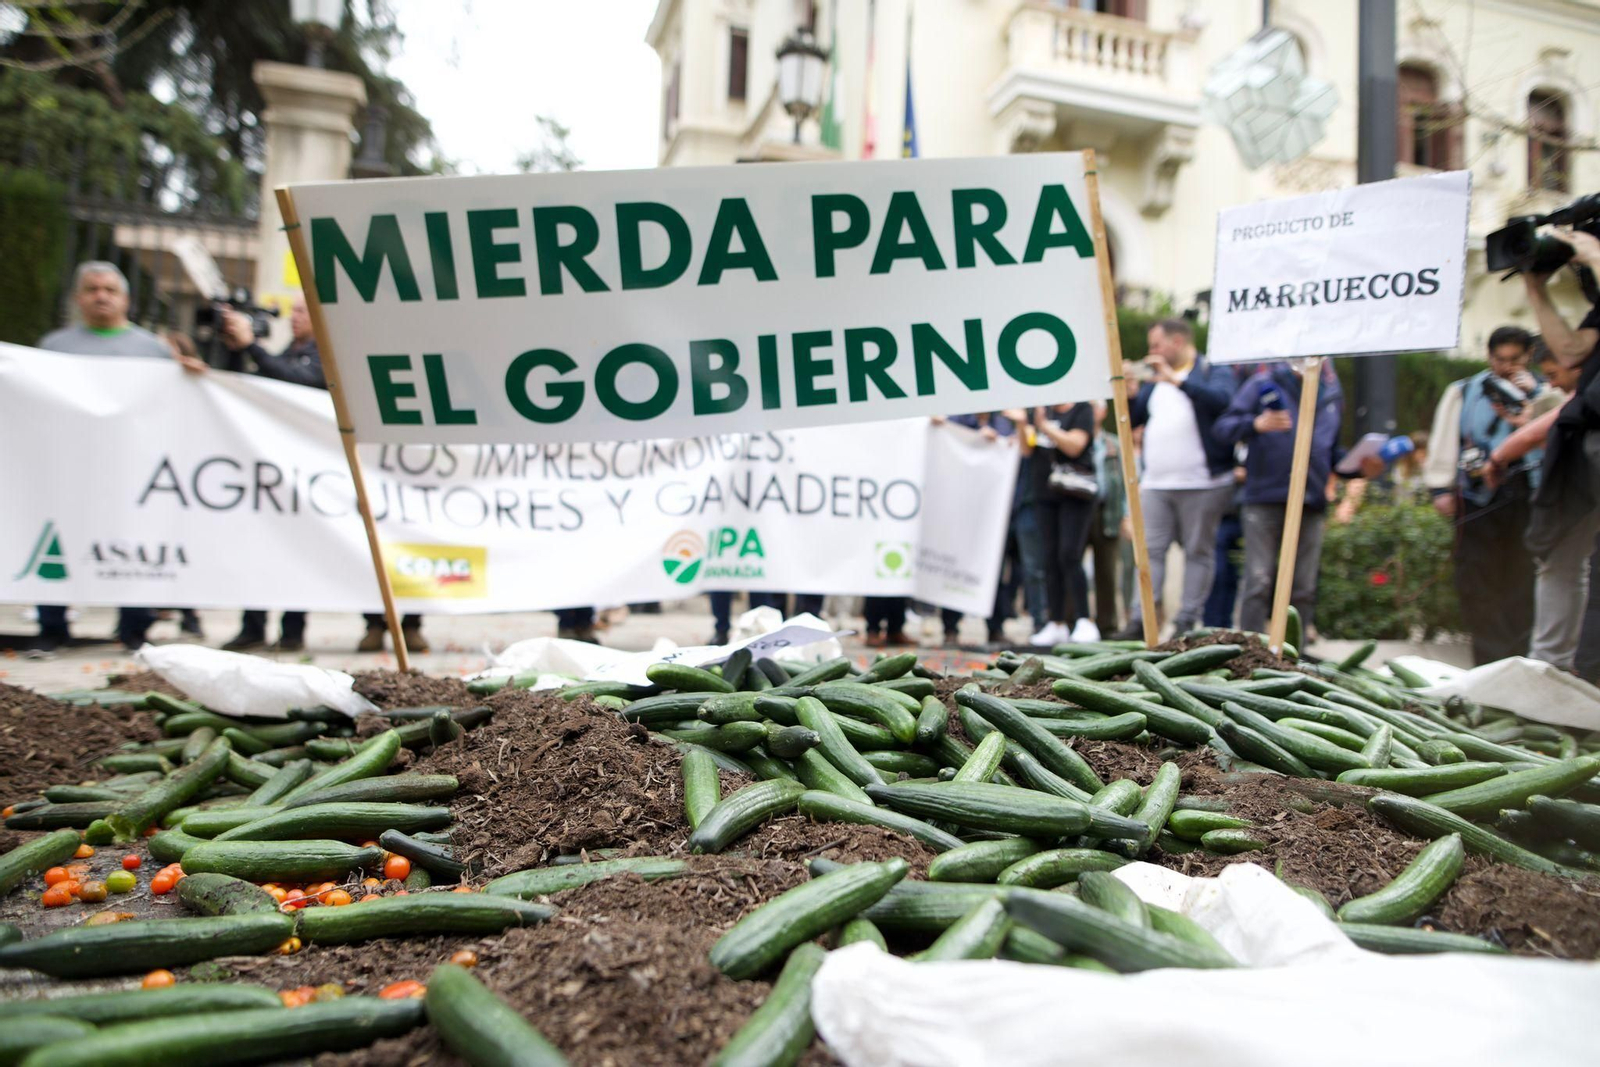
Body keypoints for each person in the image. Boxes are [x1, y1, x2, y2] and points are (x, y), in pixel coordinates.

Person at [216, 295, 427, 654]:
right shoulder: (286, 352)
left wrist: (253, 347)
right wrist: (238, 349)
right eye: (293, 311)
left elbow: (300, 380)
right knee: (267, 547)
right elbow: (251, 385)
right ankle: (255, 626)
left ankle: (305, 629)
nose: (294, 317)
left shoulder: (329, 355)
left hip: (322, 473)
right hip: (281, 470)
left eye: (302, 310)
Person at [34, 261, 204, 652]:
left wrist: (192, 378)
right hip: (69, 466)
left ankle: (134, 627)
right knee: (59, 539)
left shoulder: (152, 351)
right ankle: (52, 625)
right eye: (92, 289)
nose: (101, 297)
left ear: (125, 299)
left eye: (110, 290)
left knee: (131, 540)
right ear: (79, 297)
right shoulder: (54, 347)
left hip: (130, 468)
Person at [1214, 361, 1376, 637]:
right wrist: (1256, 424)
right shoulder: (1263, 383)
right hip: (1264, 497)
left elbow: (1330, 452)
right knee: (1258, 581)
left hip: (1310, 500)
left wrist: (1360, 468)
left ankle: (1295, 651)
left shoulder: (1330, 392)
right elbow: (1223, 428)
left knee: (1303, 586)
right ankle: (1249, 649)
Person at [1422, 327, 1544, 664]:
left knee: (1523, 579)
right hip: (1477, 498)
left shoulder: (1544, 392)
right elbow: (1444, 440)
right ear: (1489, 357)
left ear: (1528, 357)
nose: (1506, 366)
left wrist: (1533, 398)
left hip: (1528, 496)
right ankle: (1489, 659)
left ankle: (1519, 659)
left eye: (1514, 359)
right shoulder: (1464, 391)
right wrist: (1440, 488)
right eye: (1499, 359)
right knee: (1477, 579)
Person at [1115, 318, 1239, 640]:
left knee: (1198, 551)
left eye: (1156, 345)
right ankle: (1141, 619)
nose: (1151, 351)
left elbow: (1223, 401)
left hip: (1203, 483)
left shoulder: (1211, 371)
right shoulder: (1155, 380)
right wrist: (1130, 394)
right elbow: (1135, 418)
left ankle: (1186, 620)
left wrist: (1176, 380)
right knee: (1149, 551)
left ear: (1178, 342)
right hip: (1156, 483)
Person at [936, 412, 1022, 647]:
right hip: (961, 509)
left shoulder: (1002, 423)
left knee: (995, 572)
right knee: (955, 568)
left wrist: (1006, 444)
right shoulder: (957, 420)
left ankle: (995, 627)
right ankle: (950, 628)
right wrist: (974, 438)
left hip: (993, 514)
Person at [1028, 403, 1099, 647]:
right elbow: (1027, 450)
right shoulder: (1040, 410)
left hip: (1075, 493)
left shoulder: (1082, 409)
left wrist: (1044, 427)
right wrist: (1022, 424)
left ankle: (1084, 619)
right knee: (1049, 558)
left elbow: (1074, 446)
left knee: (1070, 554)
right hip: (1045, 492)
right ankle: (1055, 622)